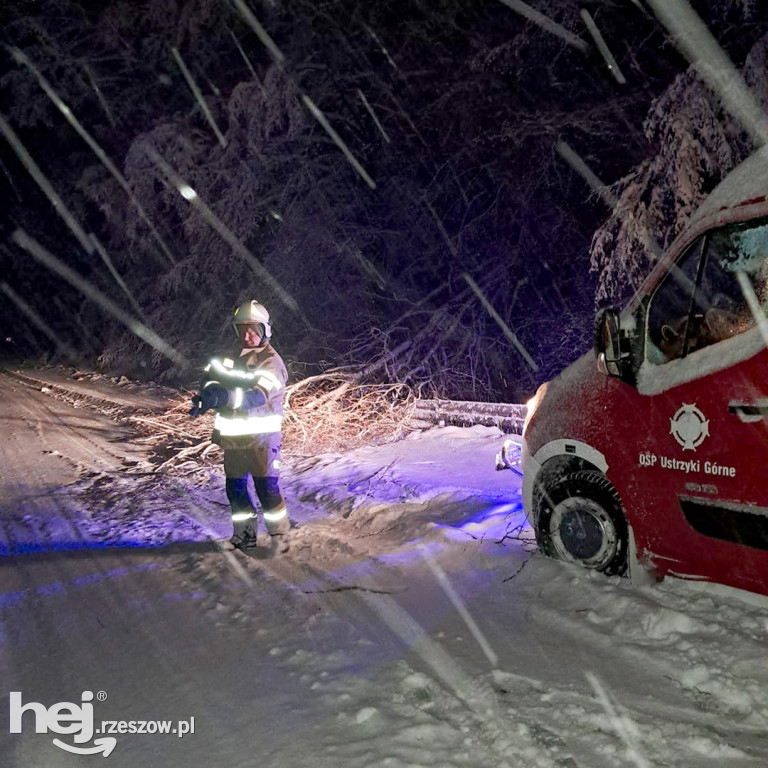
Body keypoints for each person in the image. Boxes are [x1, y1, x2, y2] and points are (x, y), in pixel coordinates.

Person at [190, 300, 291, 553]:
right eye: (242, 329)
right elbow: (210, 379)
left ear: (265, 330)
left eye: (253, 329)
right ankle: (244, 536)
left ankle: (280, 537)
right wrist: (206, 396)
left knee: (266, 489)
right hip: (234, 440)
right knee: (235, 489)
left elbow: (258, 396)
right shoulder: (229, 356)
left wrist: (223, 398)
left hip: (261, 440)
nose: (248, 335)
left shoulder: (271, 361)